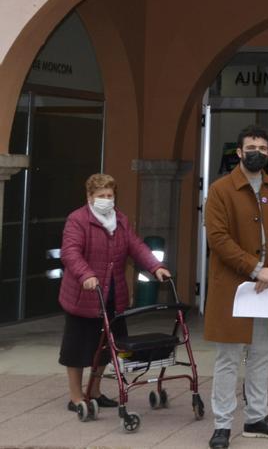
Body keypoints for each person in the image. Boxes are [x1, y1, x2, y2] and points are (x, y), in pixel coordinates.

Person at [204, 126, 268, 448]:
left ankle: (257, 417)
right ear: (240, 152)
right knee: (228, 358)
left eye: (262, 147)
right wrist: (256, 269)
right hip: (234, 286)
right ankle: (223, 424)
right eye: (250, 146)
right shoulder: (220, 189)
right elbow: (217, 238)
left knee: (261, 355)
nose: (257, 151)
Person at [58, 173, 170, 416]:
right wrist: (86, 274)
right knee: (77, 348)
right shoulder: (77, 220)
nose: (106, 200)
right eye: (101, 196)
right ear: (89, 197)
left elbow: (136, 246)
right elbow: (70, 253)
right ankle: (76, 396)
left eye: (110, 195)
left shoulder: (120, 220)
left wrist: (155, 266)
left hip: (112, 293)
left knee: (107, 348)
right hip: (84, 295)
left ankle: (95, 391)